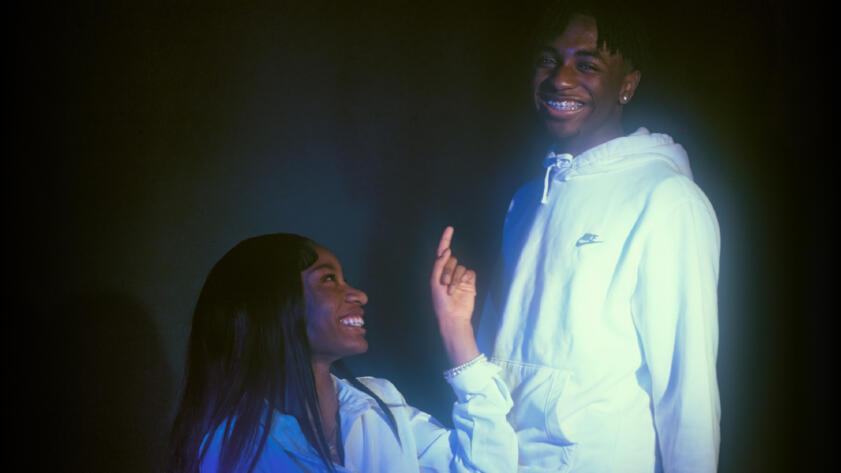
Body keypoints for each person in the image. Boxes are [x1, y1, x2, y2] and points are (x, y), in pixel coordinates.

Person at [476, 5, 720, 472]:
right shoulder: (525, 202)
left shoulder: (666, 198)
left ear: (627, 85)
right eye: (548, 61)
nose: (560, 80)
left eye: (586, 65)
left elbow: (687, 393)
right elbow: (496, 351)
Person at [166, 227, 518, 473]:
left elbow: (485, 467)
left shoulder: (380, 403)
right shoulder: (230, 448)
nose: (359, 295)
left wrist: (456, 328)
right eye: (329, 279)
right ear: (271, 304)